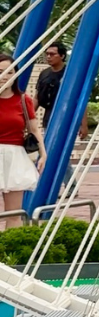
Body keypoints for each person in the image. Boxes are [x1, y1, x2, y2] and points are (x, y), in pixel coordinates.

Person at [0, 54, 45, 227]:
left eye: (9, 72)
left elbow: (34, 129)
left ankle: (11, 250)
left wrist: (43, 153)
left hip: (14, 156)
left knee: (14, 213)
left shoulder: (23, 100)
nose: (4, 76)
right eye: (0, 72)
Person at [35, 42, 88, 140]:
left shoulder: (71, 74)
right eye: (47, 54)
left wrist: (83, 124)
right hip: (48, 118)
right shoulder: (44, 74)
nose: (48, 57)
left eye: (52, 54)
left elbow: (81, 99)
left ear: (62, 56)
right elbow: (37, 97)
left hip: (66, 118)